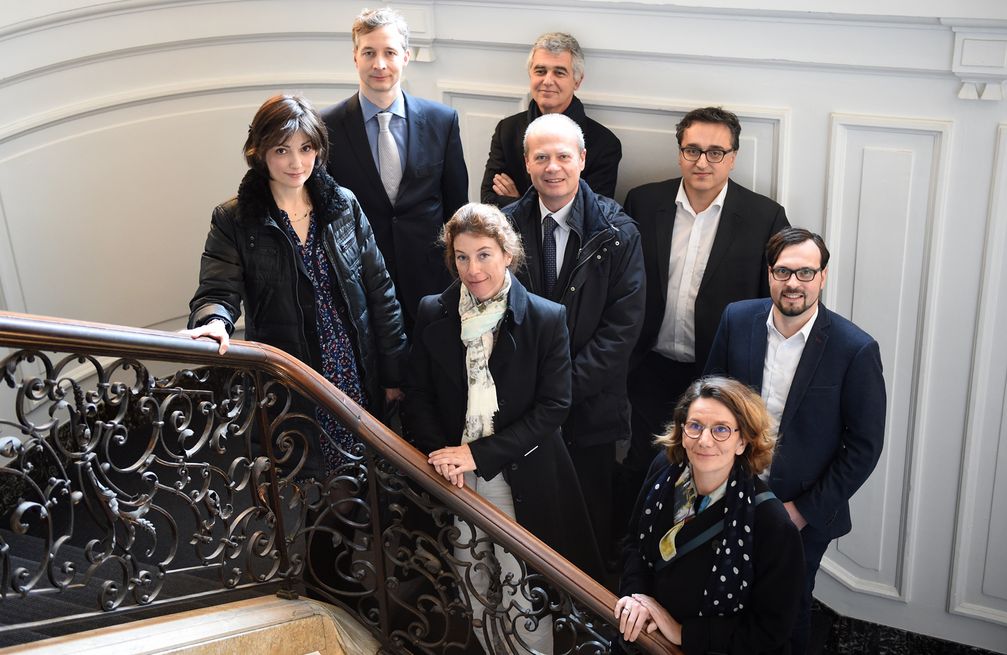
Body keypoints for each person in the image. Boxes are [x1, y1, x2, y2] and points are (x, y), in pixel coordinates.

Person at [403, 202, 602, 652]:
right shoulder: (434, 311)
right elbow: (418, 394)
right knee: (473, 588)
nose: (472, 269)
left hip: (519, 473)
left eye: (484, 254)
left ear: (507, 253)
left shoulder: (546, 317)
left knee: (521, 590)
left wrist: (477, 455)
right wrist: (443, 455)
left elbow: (554, 407)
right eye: (461, 256)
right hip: (454, 474)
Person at [186, 94, 407, 478]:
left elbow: (380, 292)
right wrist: (215, 321)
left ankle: (356, 532)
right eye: (282, 150)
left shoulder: (342, 205)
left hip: (352, 361)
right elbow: (217, 291)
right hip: (294, 371)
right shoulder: (235, 219)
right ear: (259, 151)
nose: (296, 162)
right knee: (312, 476)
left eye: (306, 148)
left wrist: (394, 372)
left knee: (365, 472)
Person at [704, 227, 887, 655]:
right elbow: (708, 397)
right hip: (730, 491)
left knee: (787, 610)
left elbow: (864, 446)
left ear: (822, 277)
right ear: (769, 274)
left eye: (806, 273)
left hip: (802, 510)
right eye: (784, 271)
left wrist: (803, 512)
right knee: (723, 597)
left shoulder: (855, 349)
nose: (793, 283)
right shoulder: (736, 319)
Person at [620, 106, 790, 507]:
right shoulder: (643, 202)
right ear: (679, 152)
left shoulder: (765, 217)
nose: (702, 161)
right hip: (648, 367)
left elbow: (772, 303)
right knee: (643, 468)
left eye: (716, 152)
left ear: (732, 157)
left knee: (707, 477)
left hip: (718, 374)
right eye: (692, 150)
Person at [502, 113, 645, 563]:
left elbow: (621, 332)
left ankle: (586, 626)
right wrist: (531, 394)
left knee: (586, 529)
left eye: (563, 156)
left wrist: (558, 392)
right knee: (529, 529)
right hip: (519, 412)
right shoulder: (502, 228)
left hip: (590, 413)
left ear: (582, 159)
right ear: (527, 163)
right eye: (541, 156)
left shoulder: (618, 232)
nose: (552, 167)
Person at [616, 376, 804, 654]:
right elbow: (634, 544)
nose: (705, 440)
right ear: (682, 431)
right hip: (647, 635)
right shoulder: (663, 470)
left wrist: (683, 633)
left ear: (743, 442)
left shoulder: (770, 522)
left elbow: (771, 629)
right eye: (695, 426)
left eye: (721, 430)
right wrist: (637, 597)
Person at [322, 7, 468, 329]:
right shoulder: (325, 126)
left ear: (406, 56)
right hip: (359, 283)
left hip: (432, 281)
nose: (379, 64)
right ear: (355, 57)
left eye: (389, 52)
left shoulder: (442, 121)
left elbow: (457, 208)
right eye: (369, 53)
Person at [481, 32, 622, 207]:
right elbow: (489, 201)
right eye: (540, 71)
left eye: (559, 72)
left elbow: (591, 214)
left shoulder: (604, 144)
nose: (547, 80)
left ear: (577, 81)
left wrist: (518, 203)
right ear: (530, 75)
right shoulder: (507, 130)